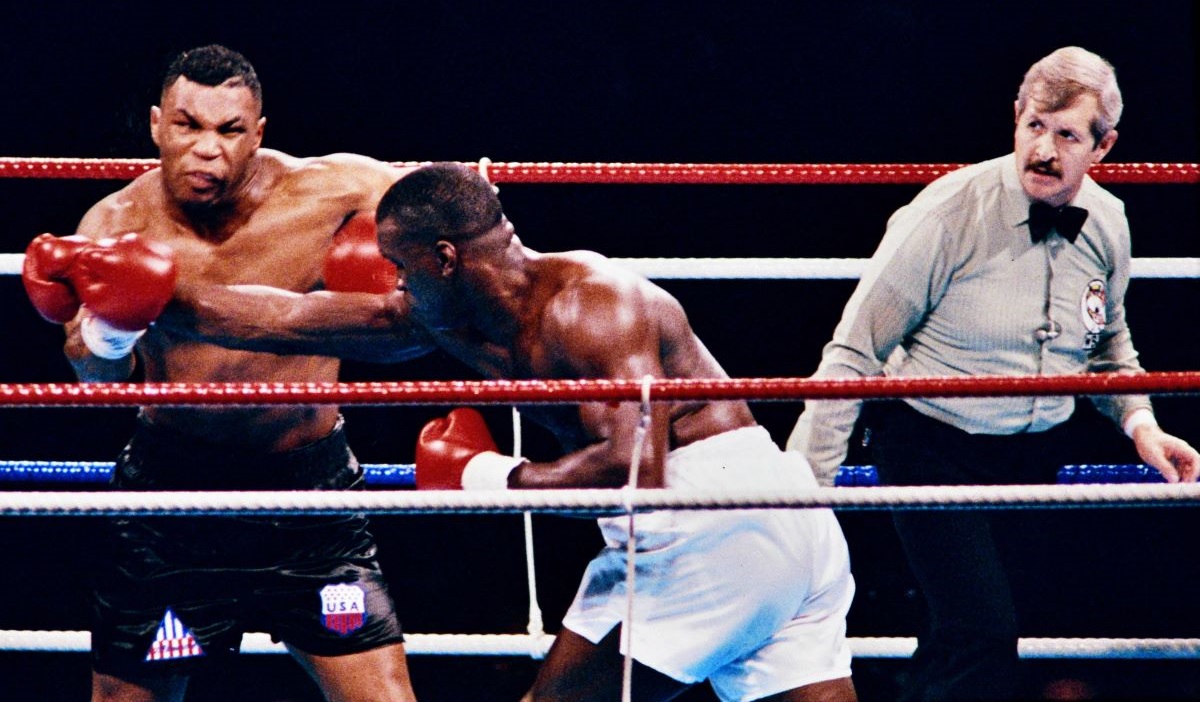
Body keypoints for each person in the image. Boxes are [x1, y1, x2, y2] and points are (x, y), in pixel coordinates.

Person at [161, 161, 860, 702]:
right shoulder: (455, 316)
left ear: (444, 256)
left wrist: (484, 474)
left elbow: (634, 470)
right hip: (774, 530)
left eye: (400, 269)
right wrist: (150, 295)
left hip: (708, 523)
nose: (393, 287)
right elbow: (279, 319)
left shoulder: (594, 303)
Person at [785, 46, 1199, 701]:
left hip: (1034, 452)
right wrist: (800, 501)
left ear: (1104, 146)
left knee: (981, 639)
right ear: (1015, 117)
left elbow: (1108, 345)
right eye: (1035, 126)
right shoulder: (948, 213)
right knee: (982, 632)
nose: (1045, 149)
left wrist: (1142, 425)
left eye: (1067, 135)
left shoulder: (1109, 223)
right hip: (929, 441)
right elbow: (852, 353)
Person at [20, 45, 418, 701]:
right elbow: (95, 378)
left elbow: (452, 208)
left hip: (310, 498)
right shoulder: (115, 225)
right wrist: (111, 325)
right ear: (156, 126)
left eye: (229, 131)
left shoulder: (331, 190)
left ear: (257, 135)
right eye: (189, 125)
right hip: (174, 497)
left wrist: (452, 226)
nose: (208, 149)